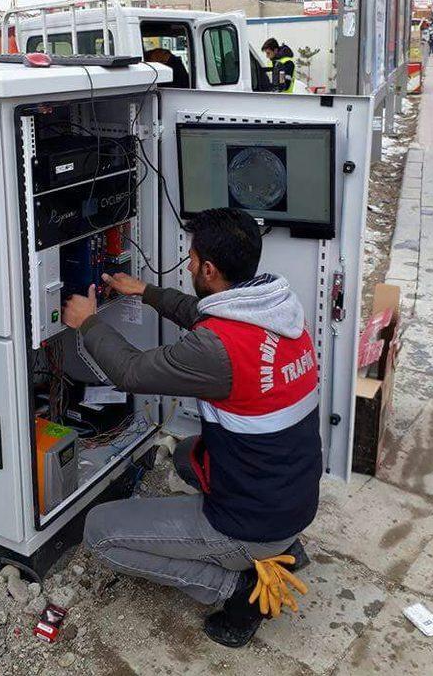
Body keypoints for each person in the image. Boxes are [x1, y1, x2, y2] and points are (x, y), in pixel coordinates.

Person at [62, 208, 322, 648]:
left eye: (192, 257)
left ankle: (238, 590)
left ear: (208, 269)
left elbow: (129, 370)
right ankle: (283, 547)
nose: (187, 264)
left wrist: (87, 321)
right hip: (292, 499)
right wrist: (146, 292)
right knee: (186, 456)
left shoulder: (215, 350)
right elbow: (205, 313)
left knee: (99, 532)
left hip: (250, 521)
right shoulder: (278, 310)